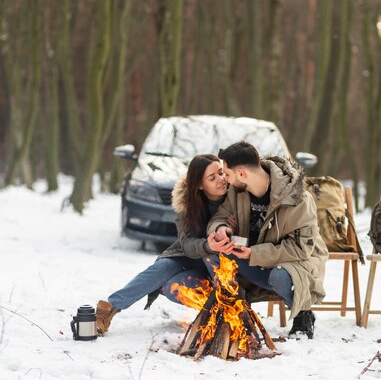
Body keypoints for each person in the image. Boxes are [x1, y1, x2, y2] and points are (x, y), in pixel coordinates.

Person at [96, 154, 234, 335]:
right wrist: (207, 246)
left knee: (170, 284)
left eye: (221, 173)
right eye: (212, 177)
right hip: (190, 256)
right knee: (166, 272)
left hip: (221, 265)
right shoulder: (188, 206)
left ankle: (225, 310)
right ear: (200, 185)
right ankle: (108, 309)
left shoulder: (236, 197)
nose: (221, 179)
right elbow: (187, 244)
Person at [205, 141, 328, 339]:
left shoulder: (298, 199)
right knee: (213, 254)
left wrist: (255, 253)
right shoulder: (237, 192)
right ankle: (237, 313)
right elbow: (220, 216)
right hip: (252, 262)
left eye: (227, 174)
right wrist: (221, 229)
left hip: (294, 264)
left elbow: (300, 249)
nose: (225, 180)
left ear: (242, 174)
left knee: (280, 276)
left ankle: (303, 315)